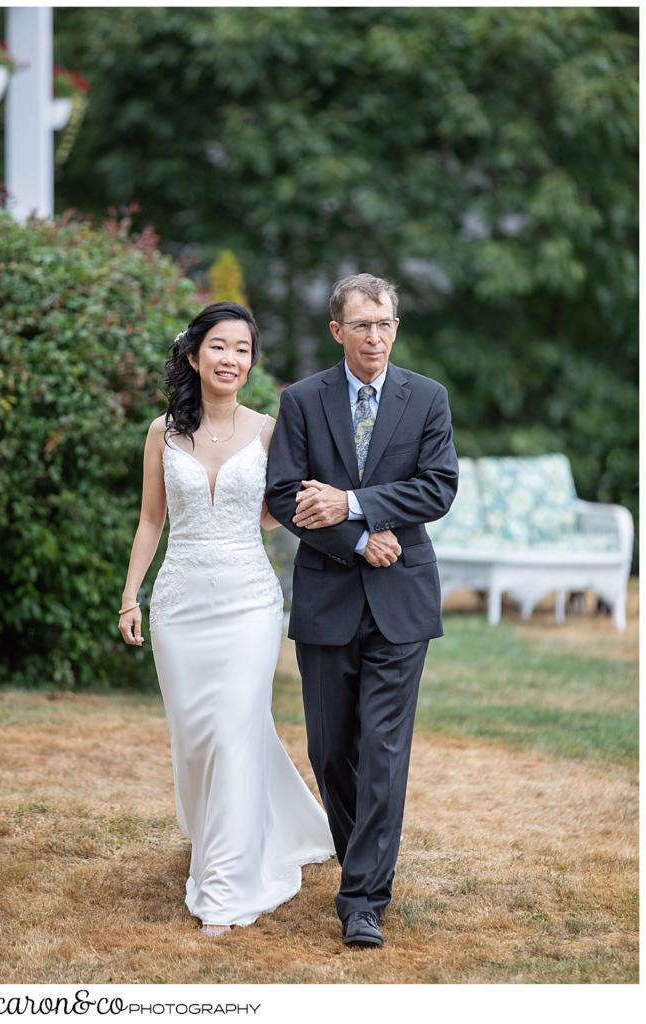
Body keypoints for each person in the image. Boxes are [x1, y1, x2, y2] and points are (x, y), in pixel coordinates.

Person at [118, 301, 335, 937]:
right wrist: (132, 595)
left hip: (248, 601)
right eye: (219, 346)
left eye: (243, 349)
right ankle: (231, 831)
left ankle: (227, 884)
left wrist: (262, 518)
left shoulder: (269, 430)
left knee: (237, 726)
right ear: (194, 355)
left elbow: (277, 510)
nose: (231, 359)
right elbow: (151, 520)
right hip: (180, 604)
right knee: (198, 738)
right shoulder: (163, 433)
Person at [265, 274, 458, 949]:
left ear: (395, 328)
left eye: (384, 324)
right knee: (329, 748)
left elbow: (437, 487)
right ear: (337, 331)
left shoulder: (426, 399)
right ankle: (360, 858)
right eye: (362, 325)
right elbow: (287, 494)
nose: (375, 336)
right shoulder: (303, 402)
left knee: (381, 749)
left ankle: (364, 898)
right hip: (327, 593)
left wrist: (352, 505)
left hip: (401, 598)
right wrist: (353, 540)